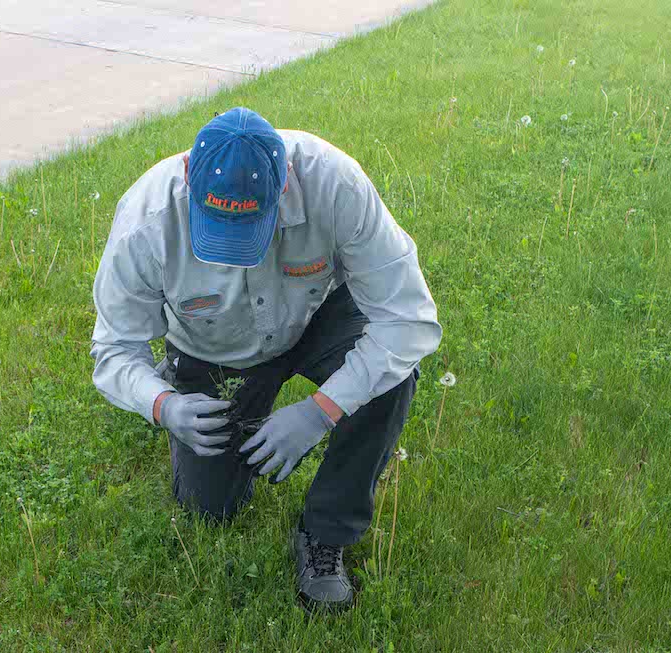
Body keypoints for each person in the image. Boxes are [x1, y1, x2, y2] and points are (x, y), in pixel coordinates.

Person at [90, 107, 441, 611]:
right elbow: (113, 349)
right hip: (214, 347)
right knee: (212, 509)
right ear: (188, 173)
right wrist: (163, 404)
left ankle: (326, 533)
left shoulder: (336, 183)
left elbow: (408, 321)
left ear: (285, 184)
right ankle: (188, 388)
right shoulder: (145, 223)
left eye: (250, 232)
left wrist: (321, 410)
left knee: (392, 375)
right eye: (218, 234)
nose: (236, 257)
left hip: (316, 313)